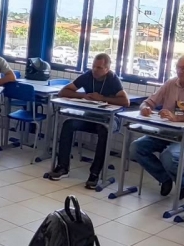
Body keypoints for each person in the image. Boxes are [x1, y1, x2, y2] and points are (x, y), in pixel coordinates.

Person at [129, 55, 184, 198]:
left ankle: (183, 179)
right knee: (136, 148)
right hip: (165, 133)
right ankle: (164, 178)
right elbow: (148, 102)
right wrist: (145, 108)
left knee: (169, 156)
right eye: (178, 67)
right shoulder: (171, 83)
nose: (180, 71)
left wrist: (177, 118)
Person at [48, 53, 130, 190]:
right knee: (68, 124)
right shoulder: (88, 76)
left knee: (103, 130)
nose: (95, 70)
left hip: (109, 120)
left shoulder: (113, 79)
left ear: (107, 69)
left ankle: (95, 173)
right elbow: (64, 92)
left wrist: (102, 98)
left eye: (99, 67)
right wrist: (84, 95)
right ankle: (62, 167)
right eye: (93, 67)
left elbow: (125, 102)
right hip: (89, 117)